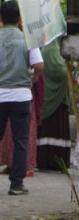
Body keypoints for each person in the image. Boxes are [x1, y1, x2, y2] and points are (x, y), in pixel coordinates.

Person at [0, 1, 44, 195]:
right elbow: (39, 65)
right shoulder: (27, 39)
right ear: (19, 18)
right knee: (20, 139)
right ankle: (16, 184)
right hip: (21, 94)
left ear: (0, 18)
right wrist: (33, 78)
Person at [37, 39, 70, 170]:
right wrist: (69, 68)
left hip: (51, 95)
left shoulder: (50, 48)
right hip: (53, 97)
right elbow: (60, 72)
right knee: (53, 128)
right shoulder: (52, 50)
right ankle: (52, 161)